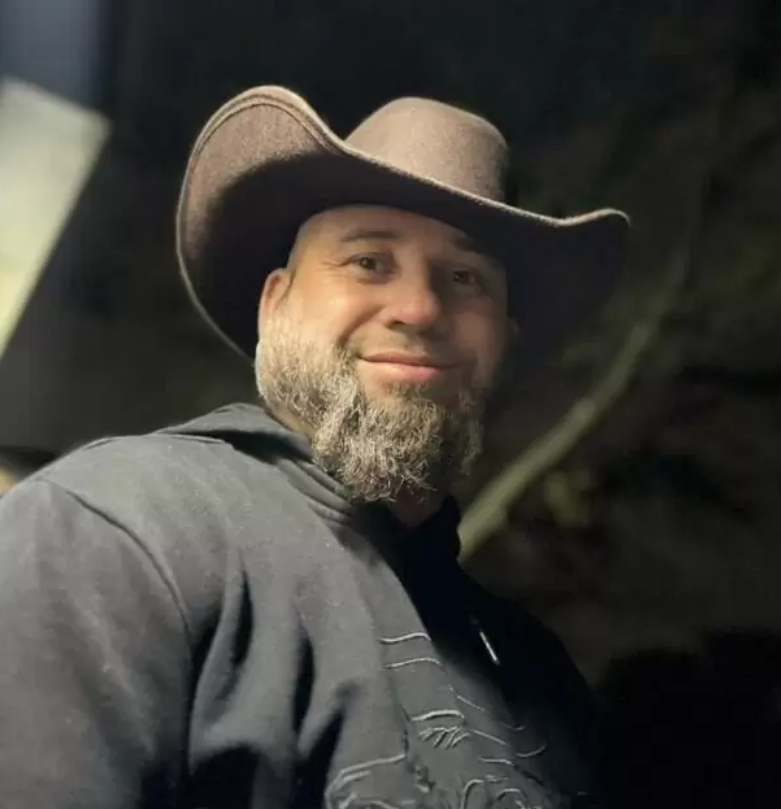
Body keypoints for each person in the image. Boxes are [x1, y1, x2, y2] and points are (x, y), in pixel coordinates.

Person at [0, 86, 629, 808]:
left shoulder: (540, 674)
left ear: (503, 343)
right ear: (275, 304)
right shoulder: (120, 525)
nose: (421, 308)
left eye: (465, 278)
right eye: (368, 261)